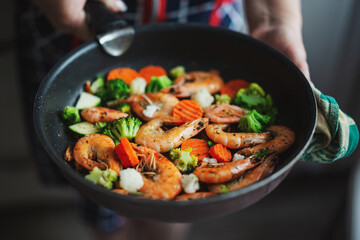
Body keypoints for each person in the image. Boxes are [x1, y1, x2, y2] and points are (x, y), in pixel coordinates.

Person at [15, 0, 310, 239]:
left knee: (170, 218)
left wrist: (276, 20)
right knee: (102, 212)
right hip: (79, 29)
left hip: (202, 20)